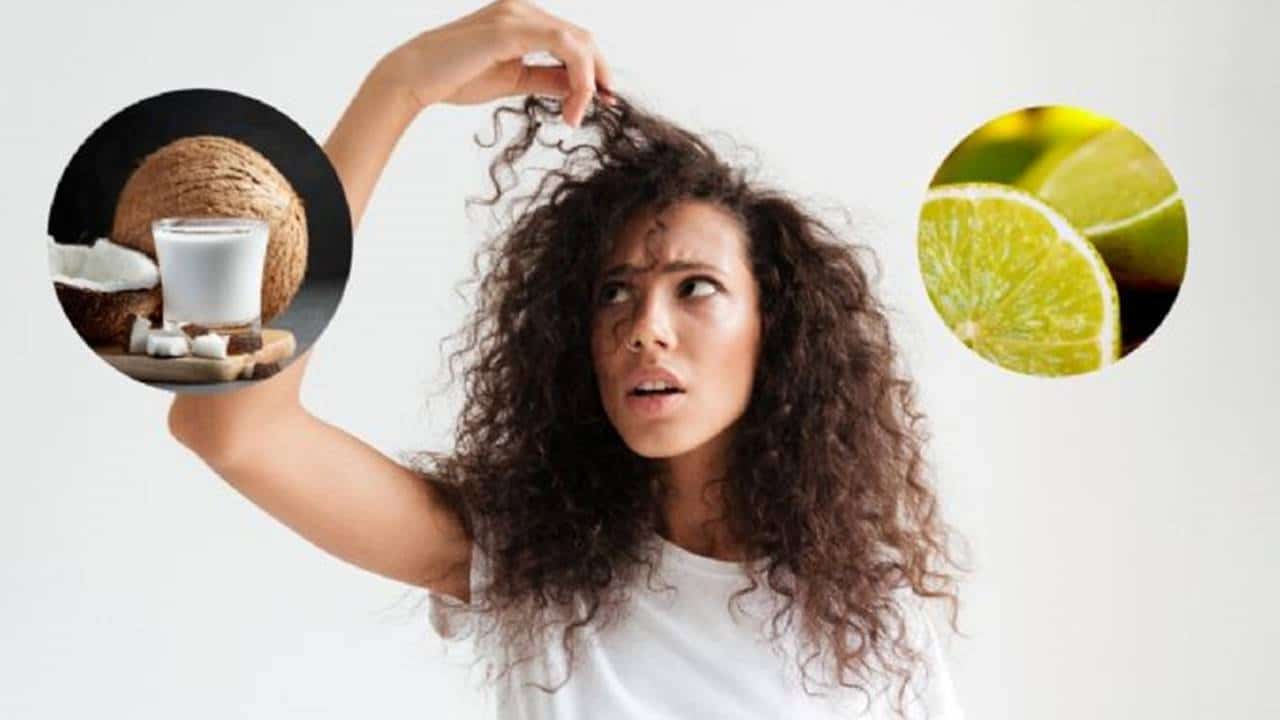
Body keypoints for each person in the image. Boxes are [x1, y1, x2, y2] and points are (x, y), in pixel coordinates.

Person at [169, 2, 967, 718]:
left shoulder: (871, 618)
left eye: (696, 288)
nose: (646, 328)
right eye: (614, 293)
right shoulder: (529, 565)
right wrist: (398, 89)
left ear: (778, 330)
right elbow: (231, 424)